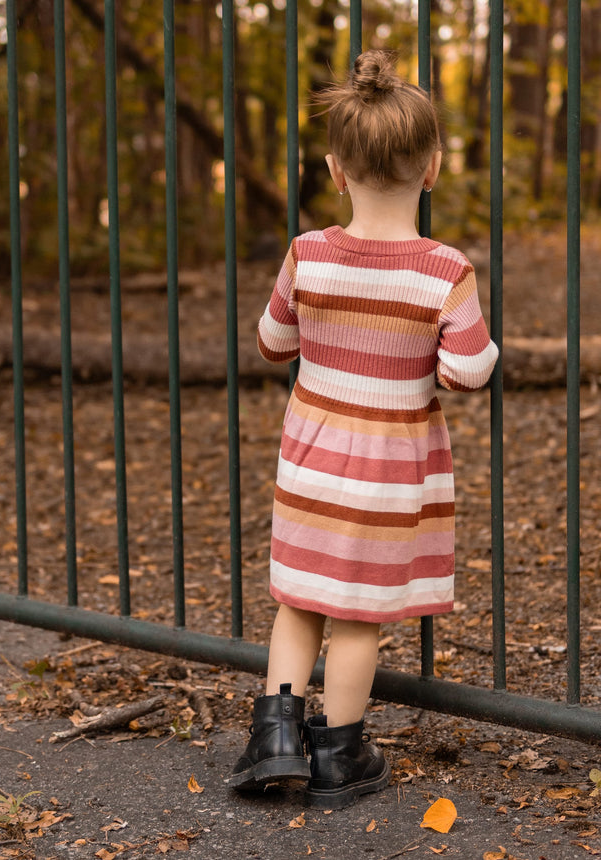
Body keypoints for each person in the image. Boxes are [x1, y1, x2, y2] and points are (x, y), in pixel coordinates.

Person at [227, 49, 499, 809]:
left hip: (311, 460)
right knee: (356, 616)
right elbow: (468, 368)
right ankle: (340, 755)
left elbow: (273, 342)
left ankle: (274, 739)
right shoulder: (443, 270)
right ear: (434, 166)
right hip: (389, 471)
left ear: (335, 169)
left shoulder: (308, 254)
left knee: (299, 599)